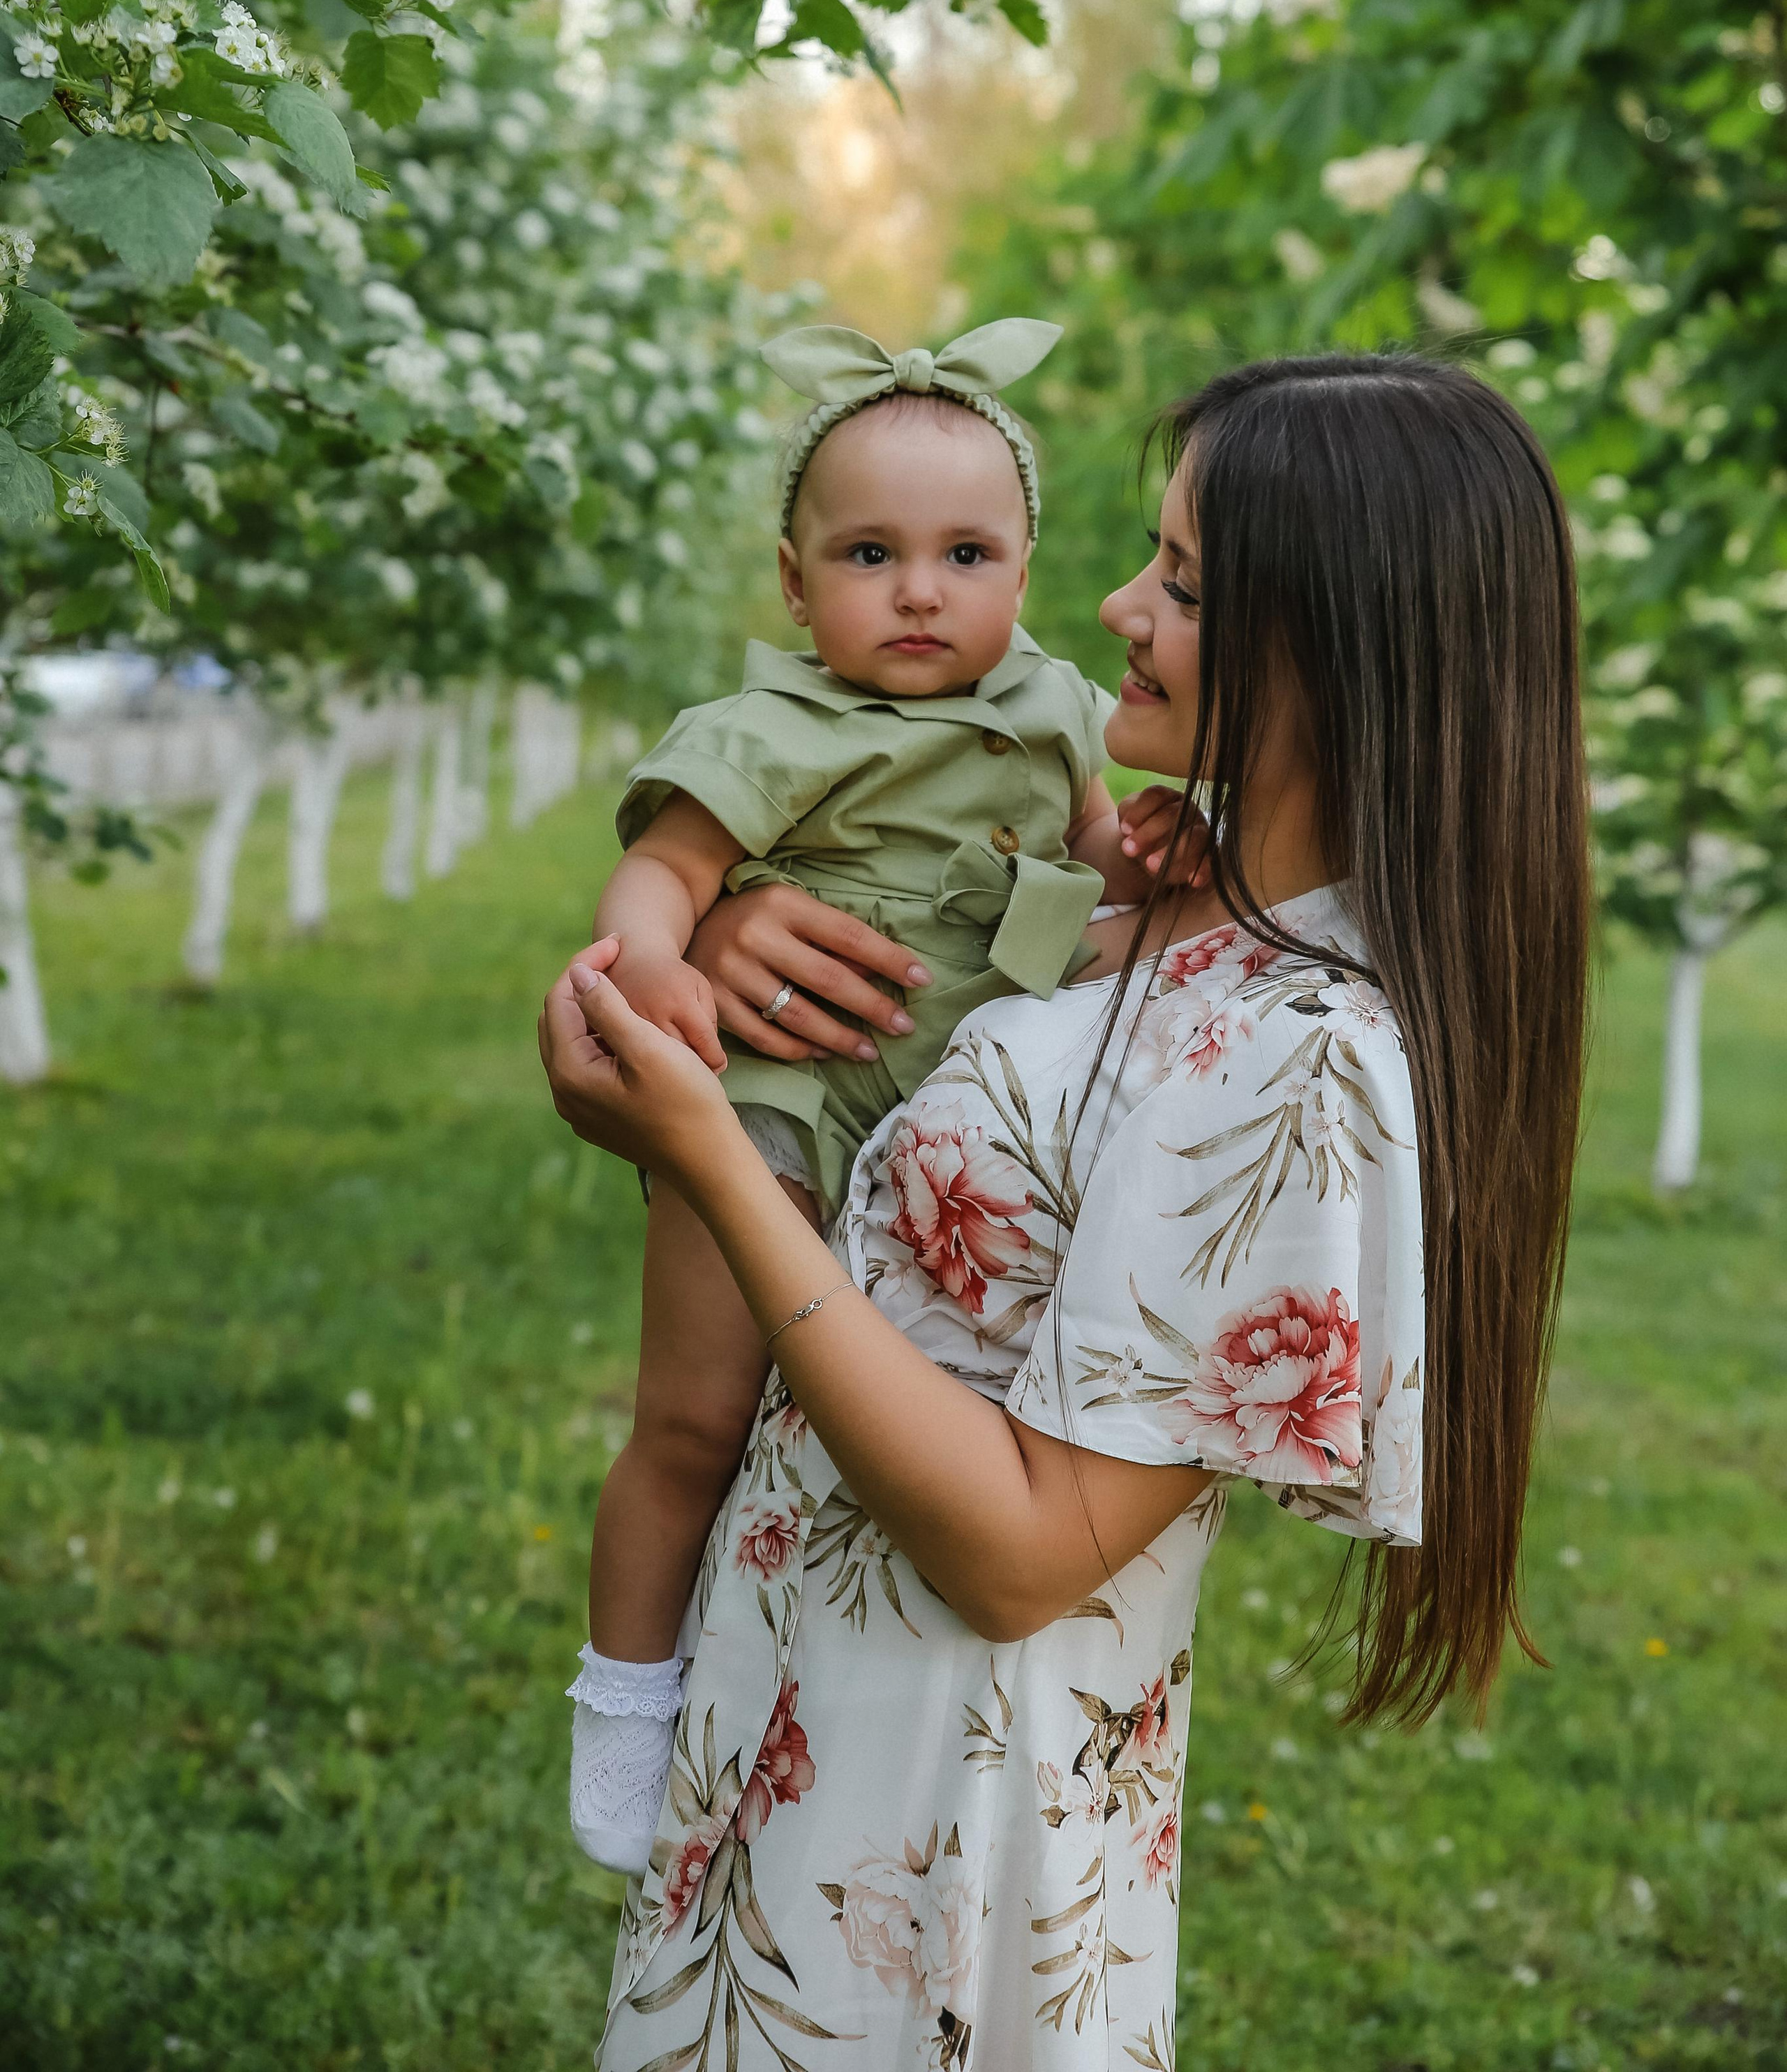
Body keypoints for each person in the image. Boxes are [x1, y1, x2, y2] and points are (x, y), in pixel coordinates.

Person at [540, 350, 1592, 2067]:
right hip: (789, 1706)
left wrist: (721, 1162)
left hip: (941, 1811)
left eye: (1177, 581)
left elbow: (1026, 1555)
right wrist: (727, 957)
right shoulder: (1160, 907)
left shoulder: (1303, 1059)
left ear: (1329, 642)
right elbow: (896, 1165)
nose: (1110, 603)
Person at [569, 318, 1192, 1872]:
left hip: (943, 1102)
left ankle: (761, 1678)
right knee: (699, 1412)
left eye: (965, 552)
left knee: (850, 1422)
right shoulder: (769, 729)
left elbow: (1096, 853)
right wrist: (652, 962)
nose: (919, 591)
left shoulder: (1052, 709)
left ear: (1025, 569)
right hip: (779, 1093)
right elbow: (661, 872)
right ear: (794, 583)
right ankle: (623, 1701)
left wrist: (1151, 860)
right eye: (867, 553)